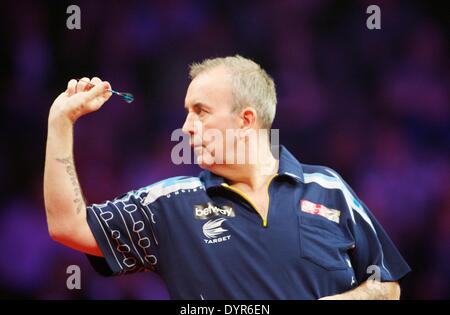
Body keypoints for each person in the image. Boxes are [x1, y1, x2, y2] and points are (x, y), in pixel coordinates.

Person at [44, 55, 410, 299]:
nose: (186, 127)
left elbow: (388, 284)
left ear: (246, 120)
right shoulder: (169, 206)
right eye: (187, 113)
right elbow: (68, 225)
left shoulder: (329, 189)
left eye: (200, 112)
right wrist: (61, 121)